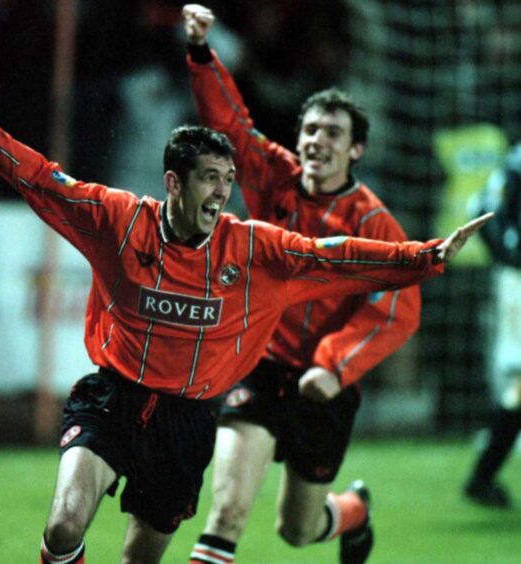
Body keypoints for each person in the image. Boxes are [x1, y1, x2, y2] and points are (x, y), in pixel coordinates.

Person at [0, 49, 489, 564]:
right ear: (174, 182)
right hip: (114, 399)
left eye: (227, 181)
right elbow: (43, 180)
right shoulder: (118, 221)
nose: (221, 193)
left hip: (199, 418)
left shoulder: (254, 247)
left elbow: (336, 258)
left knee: (261, 534)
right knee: (67, 525)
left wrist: (425, 257)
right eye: (209, 180)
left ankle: (350, 514)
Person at [182, 4, 421, 563]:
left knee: (298, 529)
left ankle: (352, 514)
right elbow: (231, 128)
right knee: (226, 512)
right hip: (261, 367)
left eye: (333, 133)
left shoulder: (375, 224)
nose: (317, 140)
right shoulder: (276, 177)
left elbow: (395, 310)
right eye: (310, 129)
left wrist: (334, 364)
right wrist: (200, 53)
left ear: (355, 149)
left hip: (324, 387)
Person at [463, 143, 521, 508]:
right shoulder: (517, 162)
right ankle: (483, 475)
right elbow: (484, 211)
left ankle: (483, 476)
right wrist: (512, 258)